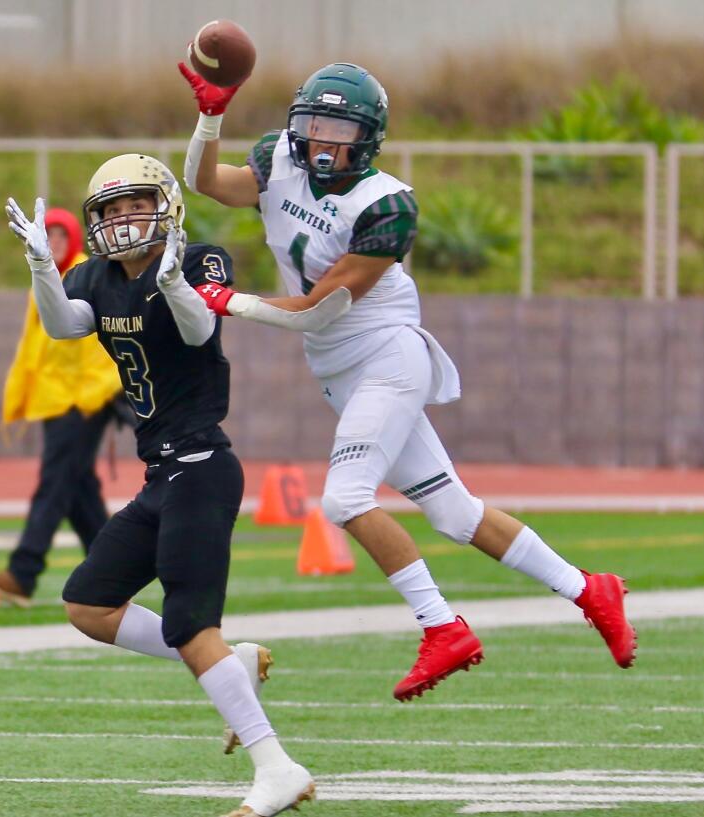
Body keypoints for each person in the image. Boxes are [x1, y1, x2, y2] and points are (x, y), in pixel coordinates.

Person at [177, 60, 637, 702]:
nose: (320, 139)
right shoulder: (280, 157)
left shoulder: (386, 204)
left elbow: (321, 306)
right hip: (338, 367)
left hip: (385, 354)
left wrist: (228, 302)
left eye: (337, 127)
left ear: (366, 137)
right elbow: (207, 184)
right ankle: (591, 590)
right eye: (312, 122)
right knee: (454, 512)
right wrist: (211, 115)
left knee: (344, 498)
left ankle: (442, 626)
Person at [5, 153, 344, 816]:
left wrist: (176, 286)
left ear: (164, 205)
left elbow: (199, 327)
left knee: (191, 621)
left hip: (203, 467)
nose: (124, 218)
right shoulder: (95, 277)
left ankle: (276, 766)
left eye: (136, 204)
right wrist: (43, 269)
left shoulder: (197, 259)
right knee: (89, 601)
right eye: (112, 209)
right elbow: (62, 324)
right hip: (162, 472)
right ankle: (232, 663)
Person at [0, 207, 124, 608]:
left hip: (83, 398)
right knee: (78, 490)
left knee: (54, 484)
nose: (54, 243)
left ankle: (23, 573)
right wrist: (22, 394)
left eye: (61, 236)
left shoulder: (85, 275)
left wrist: (98, 391)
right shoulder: (44, 277)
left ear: (74, 238)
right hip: (56, 397)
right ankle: (114, 568)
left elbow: (97, 346)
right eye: (49, 235)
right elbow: (35, 348)